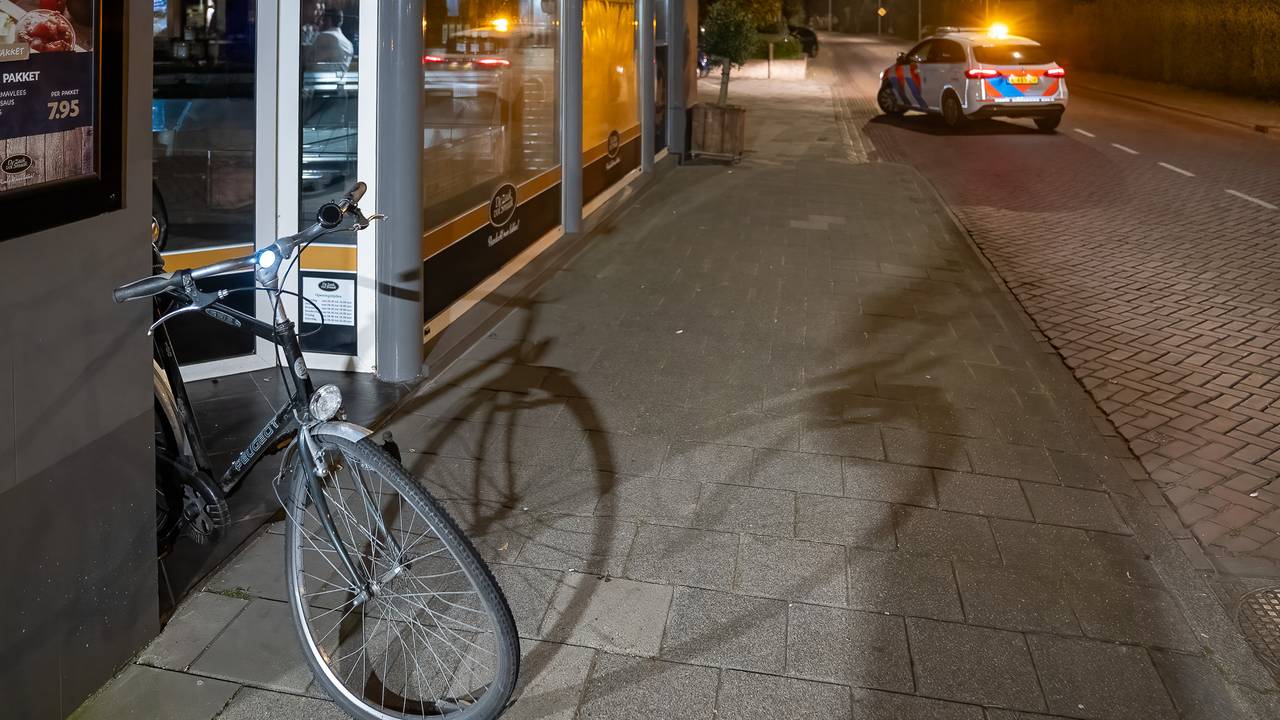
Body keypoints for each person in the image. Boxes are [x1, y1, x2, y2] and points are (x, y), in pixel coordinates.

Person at [310, 6, 353, 71]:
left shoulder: (324, 37)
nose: (321, 23)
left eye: (323, 20)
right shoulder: (349, 44)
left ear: (329, 20)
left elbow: (310, 61)